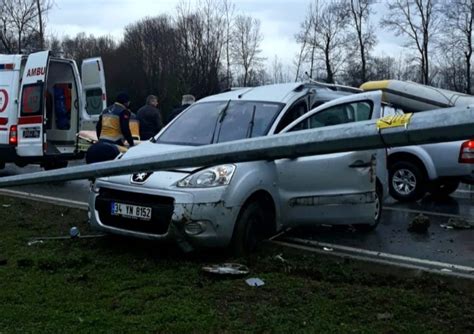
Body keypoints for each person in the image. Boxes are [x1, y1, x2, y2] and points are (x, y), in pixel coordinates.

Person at [86, 92, 134, 164]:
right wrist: (131, 143)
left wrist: (100, 139)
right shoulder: (124, 111)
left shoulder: (105, 110)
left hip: (102, 141)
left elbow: (98, 127)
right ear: (126, 102)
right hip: (115, 142)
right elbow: (125, 129)